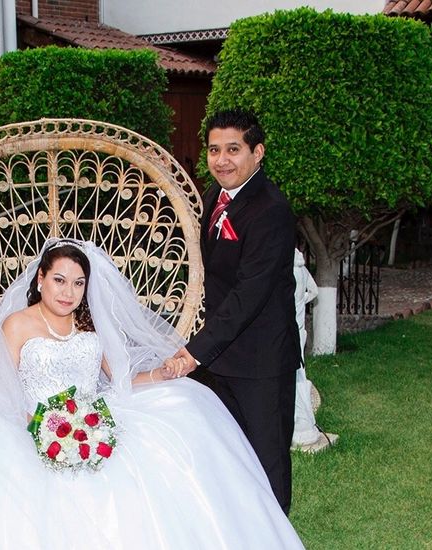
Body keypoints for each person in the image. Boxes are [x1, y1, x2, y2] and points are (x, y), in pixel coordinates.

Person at [0, 238, 303, 549]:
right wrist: (37, 428)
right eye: (59, 280)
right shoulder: (17, 325)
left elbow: (116, 382)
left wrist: (158, 377)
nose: (69, 292)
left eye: (78, 283)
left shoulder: (91, 323)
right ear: (39, 280)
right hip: (27, 426)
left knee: (182, 425)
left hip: (95, 418)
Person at [169, 109, 300, 514]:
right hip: (220, 358)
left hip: (261, 361)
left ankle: (274, 535)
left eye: (233, 149)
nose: (221, 159)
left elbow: (250, 294)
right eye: (213, 150)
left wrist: (193, 352)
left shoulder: (271, 210)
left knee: (267, 460)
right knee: (227, 455)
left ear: (257, 153)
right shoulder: (214, 197)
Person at [292, 248, 321, 447]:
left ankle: (302, 419)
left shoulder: (288, 271)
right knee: (299, 369)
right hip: (299, 326)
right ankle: (301, 418)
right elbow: (316, 291)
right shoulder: (303, 271)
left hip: (289, 329)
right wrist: (302, 300)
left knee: (295, 372)